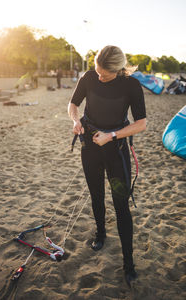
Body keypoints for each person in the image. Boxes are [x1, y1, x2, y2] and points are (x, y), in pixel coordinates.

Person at [68, 45, 146, 286]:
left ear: (118, 70)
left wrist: (111, 136)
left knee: (121, 203)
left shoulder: (131, 85)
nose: (99, 76)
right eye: (96, 70)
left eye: (104, 74)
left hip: (116, 150)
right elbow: (73, 105)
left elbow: (141, 123)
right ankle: (100, 233)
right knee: (96, 195)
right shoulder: (89, 76)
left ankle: (129, 263)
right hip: (90, 146)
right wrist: (75, 121)